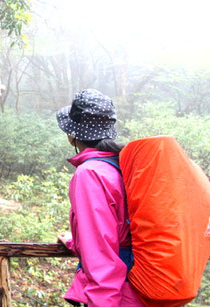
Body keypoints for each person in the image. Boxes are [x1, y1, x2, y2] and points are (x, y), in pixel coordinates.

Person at [55, 89, 144, 307]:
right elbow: (118, 233)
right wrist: (76, 241)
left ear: (72, 135)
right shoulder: (123, 165)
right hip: (141, 289)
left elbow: (102, 255)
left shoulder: (90, 174)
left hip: (118, 296)